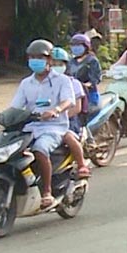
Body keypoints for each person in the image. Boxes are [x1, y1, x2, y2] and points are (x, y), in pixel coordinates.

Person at [9, 40, 78, 208]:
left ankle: (46, 192)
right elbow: (16, 106)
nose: (36, 60)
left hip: (54, 127)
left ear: (49, 60)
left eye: (40, 57)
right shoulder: (26, 83)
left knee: (40, 149)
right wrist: (3, 116)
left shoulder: (62, 80)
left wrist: (56, 110)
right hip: (30, 128)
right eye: (32, 57)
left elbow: (69, 101)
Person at [50, 47, 92, 179]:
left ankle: (81, 165)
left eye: (60, 64)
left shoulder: (74, 84)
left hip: (68, 121)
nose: (56, 67)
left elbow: (76, 108)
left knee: (68, 137)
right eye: (53, 64)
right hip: (44, 120)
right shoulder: (43, 83)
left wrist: (57, 116)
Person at [68, 32, 102, 110]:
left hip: (89, 94)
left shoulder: (92, 60)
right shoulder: (71, 61)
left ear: (86, 46)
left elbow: (95, 79)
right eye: (73, 45)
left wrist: (85, 85)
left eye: (78, 45)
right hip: (73, 94)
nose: (75, 48)